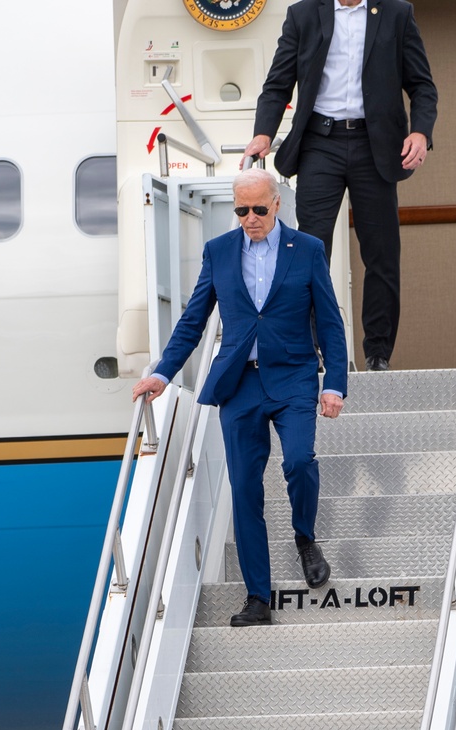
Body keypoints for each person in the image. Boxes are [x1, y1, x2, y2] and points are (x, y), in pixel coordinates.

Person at [132, 169, 347, 628]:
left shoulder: (307, 250)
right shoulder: (219, 252)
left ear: (276, 204)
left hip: (293, 376)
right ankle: (257, 598)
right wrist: (163, 374)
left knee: (298, 462)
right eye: (241, 210)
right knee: (246, 490)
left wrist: (334, 383)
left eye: (258, 209)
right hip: (240, 384)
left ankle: (305, 536)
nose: (250, 218)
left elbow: (329, 320)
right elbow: (193, 320)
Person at [242, 0, 438, 371]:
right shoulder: (303, 14)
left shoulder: (397, 13)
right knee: (310, 250)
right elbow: (278, 84)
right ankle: (314, 350)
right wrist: (263, 133)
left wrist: (420, 131)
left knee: (381, 254)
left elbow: (422, 86)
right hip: (320, 142)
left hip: (375, 146)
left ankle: (378, 353)